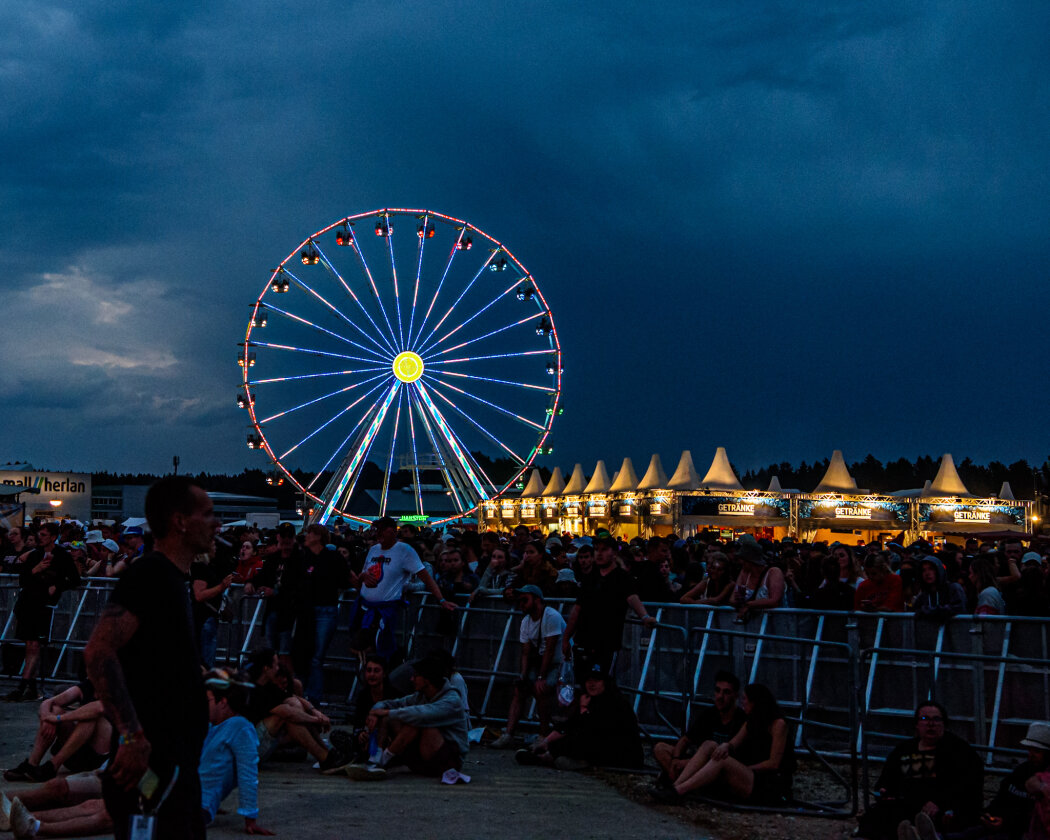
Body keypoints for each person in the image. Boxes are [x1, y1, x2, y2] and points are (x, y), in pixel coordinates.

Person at [84, 475, 217, 840]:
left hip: (176, 763)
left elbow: (155, 662)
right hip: (153, 766)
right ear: (180, 521)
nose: (216, 522)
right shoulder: (150, 575)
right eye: (207, 514)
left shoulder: (175, 580)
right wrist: (130, 736)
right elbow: (98, 651)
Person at [855, 701, 983, 839]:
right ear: (917, 724)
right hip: (910, 805)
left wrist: (939, 802)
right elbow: (888, 778)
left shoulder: (959, 751)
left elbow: (968, 784)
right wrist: (885, 790)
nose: (930, 724)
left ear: (944, 724)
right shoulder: (904, 750)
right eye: (924, 719)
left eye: (936, 719)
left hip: (943, 807)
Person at [654, 682, 794, 806]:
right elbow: (733, 743)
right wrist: (724, 746)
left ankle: (679, 791)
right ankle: (675, 787)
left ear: (755, 702)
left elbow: (773, 763)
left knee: (722, 760)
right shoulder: (751, 722)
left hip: (768, 783)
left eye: (745, 699)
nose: (742, 703)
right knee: (710, 745)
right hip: (751, 776)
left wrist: (745, 768)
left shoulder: (778, 724)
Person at [348, 517, 452, 662]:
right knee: (359, 646)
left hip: (383, 610)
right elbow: (362, 577)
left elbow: (426, 577)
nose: (377, 534)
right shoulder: (373, 550)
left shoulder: (404, 550)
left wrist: (441, 600)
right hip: (364, 607)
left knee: (376, 647)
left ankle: (383, 671)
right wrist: (363, 577)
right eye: (376, 530)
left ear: (391, 531)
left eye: (381, 530)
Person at [356, 655, 470, 780]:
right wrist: (374, 712)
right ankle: (375, 757)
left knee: (416, 721)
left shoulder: (452, 701)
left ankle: (384, 760)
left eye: (415, 676)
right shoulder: (421, 696)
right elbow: (394, 703)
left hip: (449, 761)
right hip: (424, 754)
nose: (411, 679)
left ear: (427, 680)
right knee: (389, 717)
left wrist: (386, 712)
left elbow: (422, 714)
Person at [515, 664, 644, 771]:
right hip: (600, 743)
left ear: (605, 683)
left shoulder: (614, 702)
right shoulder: (590, 699)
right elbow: (570, 724)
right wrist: (546, 741)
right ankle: (546, 752)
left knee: (579, 739)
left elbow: (593, 729)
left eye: (597, 681)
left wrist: (583, 710)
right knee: (570, 738)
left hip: (620, 753)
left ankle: (548, 757)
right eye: (589, 680)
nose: (591, 684)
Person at [561, 535, 657, 677]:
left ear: (614, 553)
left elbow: (632, 598)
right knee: (581, 686)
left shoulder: (621, 577)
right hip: (583, 641)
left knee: (601, 684)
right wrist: (566, 638)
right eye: (597, 549)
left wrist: (645, 616)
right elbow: (577, 609)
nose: (599, 553)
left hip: (606, 644)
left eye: (604, 549)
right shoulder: (590, 578)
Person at [7, 523, 81, 702]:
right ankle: (30, 687)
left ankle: (23, 685)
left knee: (34, 645)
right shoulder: (35, 555)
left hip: (43, 606)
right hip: (27, 603)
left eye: (44, 535)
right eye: (39, 534)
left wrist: (57, 586)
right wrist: (36, 569)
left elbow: (75, 579)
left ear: (53, 537)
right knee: (29, 645)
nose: (40, 538)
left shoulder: (62, 556)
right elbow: (23, 579)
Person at [244, 648, 348, 774]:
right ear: (266, 668)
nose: (278, 668)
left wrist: (315, 712)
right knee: (286, 717)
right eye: (275, 664)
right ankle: (325, 758)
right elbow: (287, 713)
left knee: (293, 706)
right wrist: (316, 720)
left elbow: (293, 698)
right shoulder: (253, 689)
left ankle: (326, 753)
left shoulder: (268, 685)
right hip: (248, 750)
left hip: (260, 744)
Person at [198, 668, 274, 836]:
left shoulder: (239, 727)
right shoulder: (210, 726)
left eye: (207, 700)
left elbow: (248, 773)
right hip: (184, 796)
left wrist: (250, 816)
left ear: (223, 702)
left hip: (196, 807)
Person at [490, 585, 566, 748]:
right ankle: (509, 733)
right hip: (539, 662)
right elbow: (525, 652)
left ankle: (543, 734)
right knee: (520, 690)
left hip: (559, 663)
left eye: (525, 600)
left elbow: (550, 650)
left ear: (537, 600)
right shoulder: (526, 621)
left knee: (541, 689)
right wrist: (523, 676)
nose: (521, 604)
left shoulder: (551, 616)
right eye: (519, 601)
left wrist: (540, 677)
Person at [652, 671, 746, 788]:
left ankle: (679, 785)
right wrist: (675, 760)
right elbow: (685, 740)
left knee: (712, 755)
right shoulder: (709, 714)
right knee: (660, 748)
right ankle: (682, 784)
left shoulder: (742, 721)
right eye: (717, 691)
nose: (720, 697)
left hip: (717, 766)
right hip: (696, 763)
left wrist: (688, 762)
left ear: (736, 695)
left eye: (726, 692)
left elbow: (730, 760)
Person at [3, 681, 111, 783]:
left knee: (89, 717)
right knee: (54, 709)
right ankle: (31, 764)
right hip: (76, 753)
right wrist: (47, 717)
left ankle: (53, 765)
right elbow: (48, 702)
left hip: (98, 759)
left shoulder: (119, 688)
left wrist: (59, 718)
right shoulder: (89, 685)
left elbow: (98, 708)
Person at [299, 523, 351, 704]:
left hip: (325, 610)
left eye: (309, 533)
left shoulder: (332, 557)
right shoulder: (304, 557)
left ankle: (313, 697)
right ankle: (306, 694)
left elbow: (345, 580)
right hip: (308, 611)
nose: (305, 536)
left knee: (316, 657)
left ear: (317, 536)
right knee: (307, 655)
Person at [244, 523, 304, 674]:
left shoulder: (300, 558)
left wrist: (275, 592)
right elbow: (263, 575)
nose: (285, 541)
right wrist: (251, 583)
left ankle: (287, 684)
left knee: (285, 651)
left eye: (288, 537)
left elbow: (300, 585)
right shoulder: (274, 558)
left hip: (291, 612)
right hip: (274, 610)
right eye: (283, 537)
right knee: (274, 651)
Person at [730, 536, 785, 622]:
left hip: (775, 624)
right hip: (753, 625)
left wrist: (748, 605)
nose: (739, 562)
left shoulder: (774, 572)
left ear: (749, 560)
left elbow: (774, 601)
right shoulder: (744, 573)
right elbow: (732, 600)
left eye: (742, 559)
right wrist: (738, 601)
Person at [913, 556, 968, 623]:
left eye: (931, 569)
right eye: (924, 570)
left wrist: (931, 611)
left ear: (938, 570)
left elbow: (959, 608)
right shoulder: (923, 595)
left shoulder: (953, 588)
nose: (927, 573)